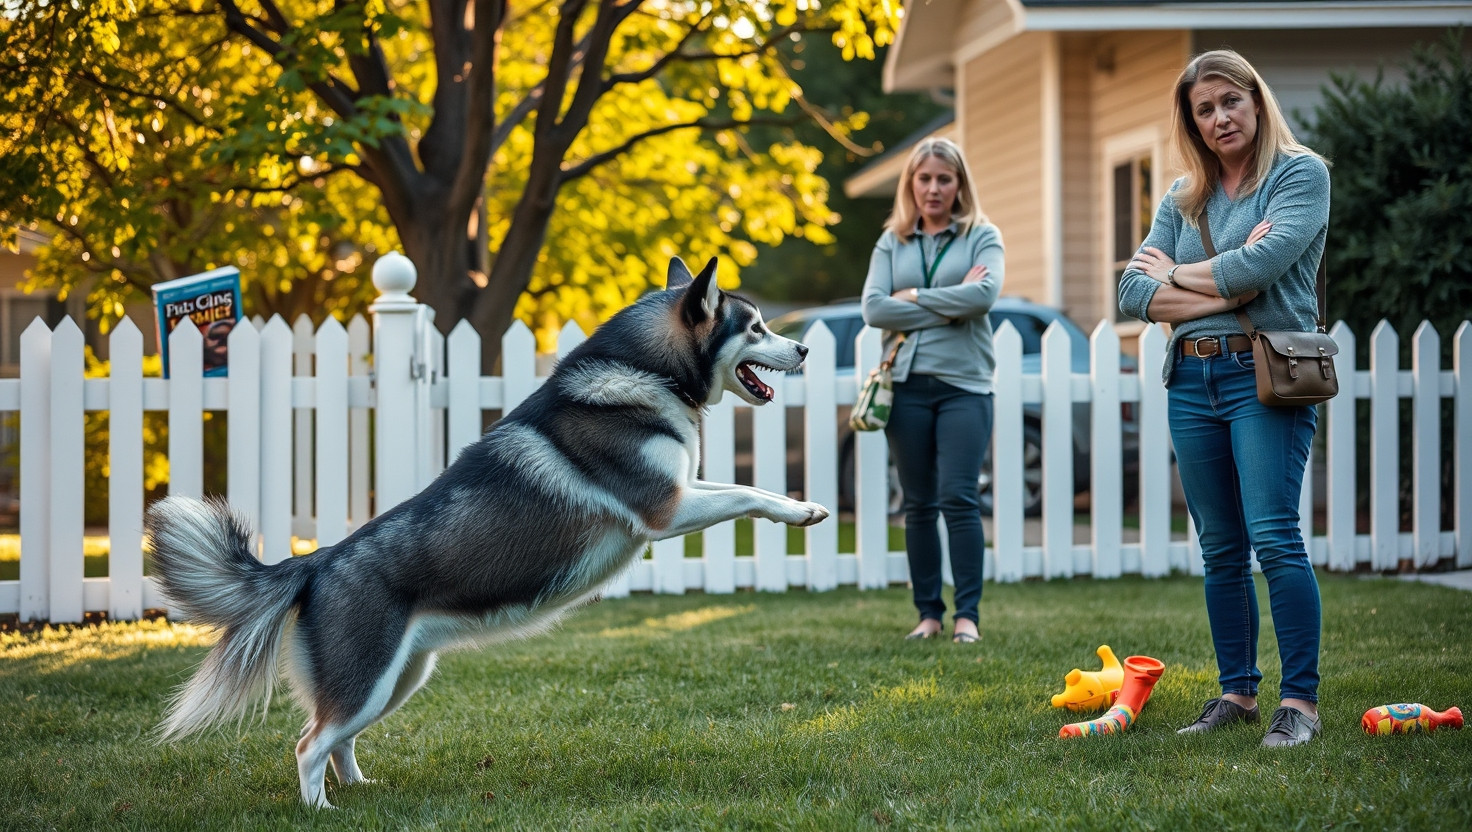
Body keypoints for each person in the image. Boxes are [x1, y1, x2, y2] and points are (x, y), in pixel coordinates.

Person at [1118, 49, 1330, 747]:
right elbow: (1132, 292)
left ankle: (1299, 703)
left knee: (1273, 535)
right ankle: (1236, 693)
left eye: (1230, 101)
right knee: (1220, 548)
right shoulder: (1183, 197)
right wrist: (1225, 284)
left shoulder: (1299, 175)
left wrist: (1176, 273)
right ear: (1192, 123)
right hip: (1190, 379)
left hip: (1263, 374)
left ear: (1256, 101)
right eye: (1203, 110)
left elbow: (1262, 266)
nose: (1219, 118)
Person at [860, 137, 1005, 644]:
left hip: (964, 386)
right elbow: (874, 308)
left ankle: (968, 616)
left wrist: (915, 297)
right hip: (905, 388)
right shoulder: (892, 241)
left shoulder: (982, 235)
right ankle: (928, 614)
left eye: (945, 178)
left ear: (959, 183)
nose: (934, 188)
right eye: (924, 178)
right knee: (918, 504)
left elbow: (983, 297)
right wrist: (950, 304)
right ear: (911, 184)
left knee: (958, 498)